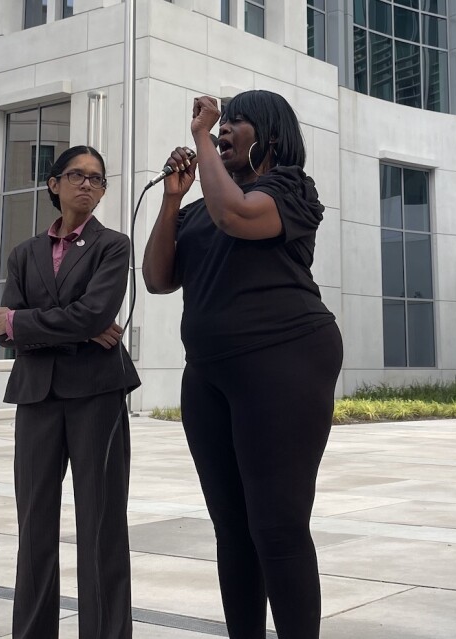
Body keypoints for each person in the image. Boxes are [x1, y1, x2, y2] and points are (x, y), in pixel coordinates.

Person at [142, 90, 343, 638]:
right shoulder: (201, 205)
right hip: (208, 372)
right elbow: (158, 279)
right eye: (220, 123)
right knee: (231, 531)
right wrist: (170, 200)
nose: (224, 129)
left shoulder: (290, 188)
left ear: (270, 136)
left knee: (277, 526)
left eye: (236, 122)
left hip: (284, 358)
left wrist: (202, 136)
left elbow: (236, 216)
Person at [0, 145, 139, 639]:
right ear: (54, 184)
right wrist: (71, 326)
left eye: (97, 179)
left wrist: (25, 322)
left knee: (101, 526)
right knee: (34, 526)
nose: (88, 185)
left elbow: (94, 313)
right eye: (77, 175)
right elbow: (1, 329)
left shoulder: (113, 246)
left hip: (97, 393)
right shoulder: (23, 254)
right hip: (37, 396)